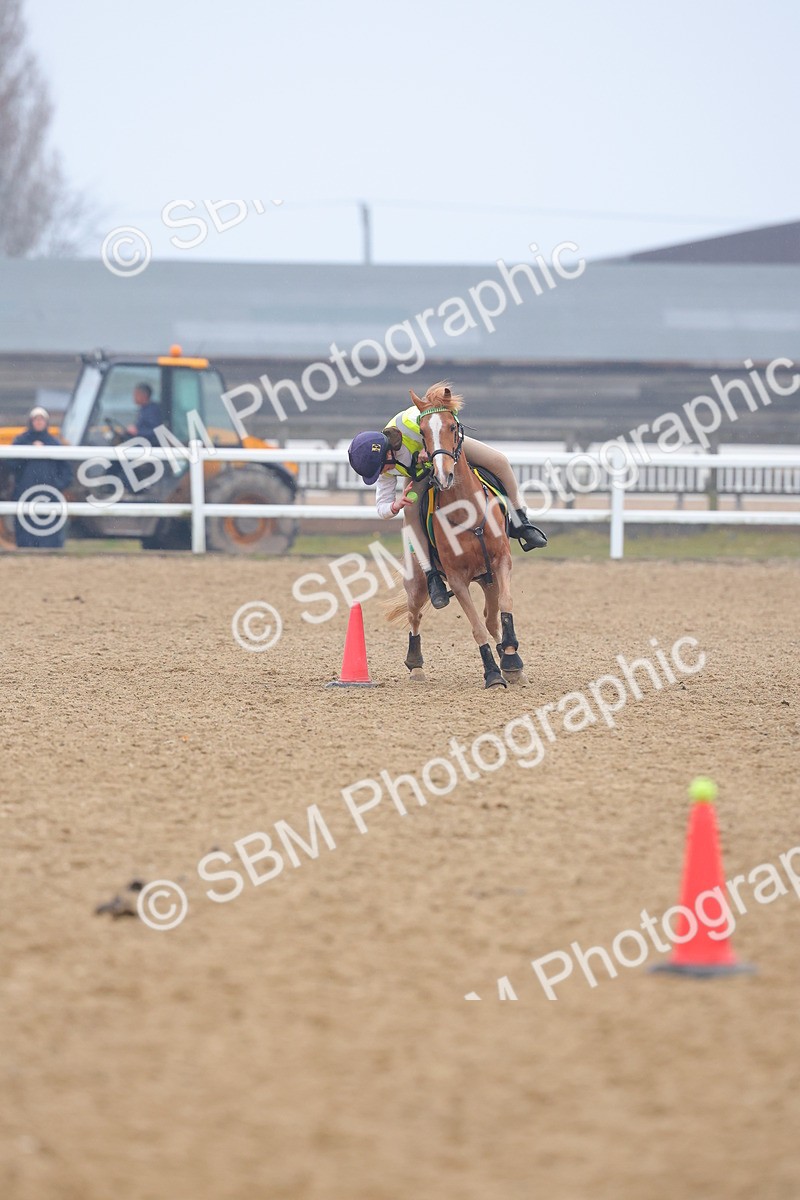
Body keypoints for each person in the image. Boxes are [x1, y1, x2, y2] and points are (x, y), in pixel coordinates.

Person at [348, 384, 547, 609]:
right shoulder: (385, 470)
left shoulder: (409, 424)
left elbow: (445, 417)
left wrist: (432, 451)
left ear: (387, 452)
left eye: (382, 468)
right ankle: (432, 575)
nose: (383, 474)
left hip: (448, 449)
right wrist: (396, 505)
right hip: (424, 471)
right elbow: (382, 508)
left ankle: (521, 521)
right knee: (411, 511)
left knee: (499, 461)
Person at [11, 406, 72, 549]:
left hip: (49, 491)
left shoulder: (54, 443)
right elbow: (11, 464)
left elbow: (65, 469)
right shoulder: (21, 441)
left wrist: (57, 484)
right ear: (31, 421)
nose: (38, 422)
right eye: (36, 419)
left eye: (41, 419)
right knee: (25, 520)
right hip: (24, 490)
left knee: (49, 522)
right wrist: (28, 451)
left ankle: (50, 548)